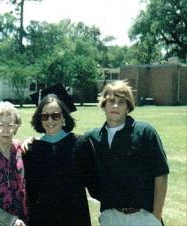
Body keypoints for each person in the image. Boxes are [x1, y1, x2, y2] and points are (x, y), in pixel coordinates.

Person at [84, 80, 169, 226]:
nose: (115, 106)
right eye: (111, 101)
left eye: (121, 102)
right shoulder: (92, 138)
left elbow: (161, 174)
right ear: (103, 105)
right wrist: (32, 141)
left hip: (143, 215)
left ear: (128, 107)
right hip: (110, 216)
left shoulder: (144, 132)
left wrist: (156, 215)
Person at [23, 84, 97, 226]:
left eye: (55, 115)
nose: (50, 121)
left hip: (75, 218)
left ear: (64, 117)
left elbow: (95, 184)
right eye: (45, 116)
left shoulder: (80, 144)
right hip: (42, 219)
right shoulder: (31, 151)